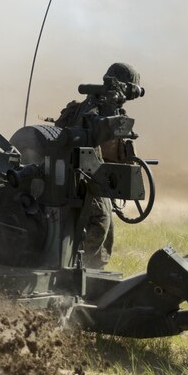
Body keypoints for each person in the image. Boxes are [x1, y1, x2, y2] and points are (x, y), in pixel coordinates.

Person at [54, 62, 141, 268]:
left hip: (95, 176)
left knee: (105, 223)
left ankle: (95, 270)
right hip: (82, 176)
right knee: (100, 221)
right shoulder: (90, 110)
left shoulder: (111, 110)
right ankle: (76, 269)